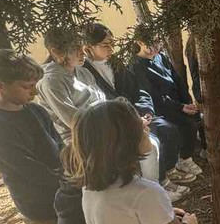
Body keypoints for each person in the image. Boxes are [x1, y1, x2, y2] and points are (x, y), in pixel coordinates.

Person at [71, 99, 217, 224]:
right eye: (139, 125)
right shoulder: (144, 192)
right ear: (125, 141)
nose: (146, 126)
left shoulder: (90, 188)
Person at [36, 27, 184, 202]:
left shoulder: (82, 71)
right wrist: (120, 124)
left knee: (151, 144)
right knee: (142, 147)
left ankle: (152, 191)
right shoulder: (51, 81)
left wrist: (128, 116)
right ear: (56, 52)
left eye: (82, 46)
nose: (83, 52)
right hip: (81, 137)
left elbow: (103, 101)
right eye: (76, 49)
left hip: (104, 125)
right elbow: (74, 121)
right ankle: (148, 196)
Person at [81, 23, 197, 184]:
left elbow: (140, 89)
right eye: (105, 45)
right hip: (114, 122)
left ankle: (170, 171)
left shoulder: (116, 62)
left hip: (137, 114)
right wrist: (132, 118)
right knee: (153, 140)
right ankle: (159, 182)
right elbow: (100, 103)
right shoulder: (85, 71)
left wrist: (146, 110)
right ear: (89, 47)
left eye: (113, 43)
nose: (111, 49)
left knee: (168, 130)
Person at [0, 49, 64, 224]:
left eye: (35, 85)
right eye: (27, 86)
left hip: (62, 187)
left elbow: (59, 145)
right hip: (39, 201)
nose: (34, 92)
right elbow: (28, 170)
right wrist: (69, 182)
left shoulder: (36, 110)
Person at [130, 25, 207, 163]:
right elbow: (151, 95)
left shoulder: (162, 57)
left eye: (158, 41)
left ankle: (205, 151)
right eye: (151, 42)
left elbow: (178, 81)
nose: (156, 46)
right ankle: (184, 160)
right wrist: (180, 107)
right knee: (188, 124)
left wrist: (187, 102)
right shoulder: (136, 65)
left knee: (200, 117)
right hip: (161, 108)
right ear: (140, 42)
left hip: (178, 104)